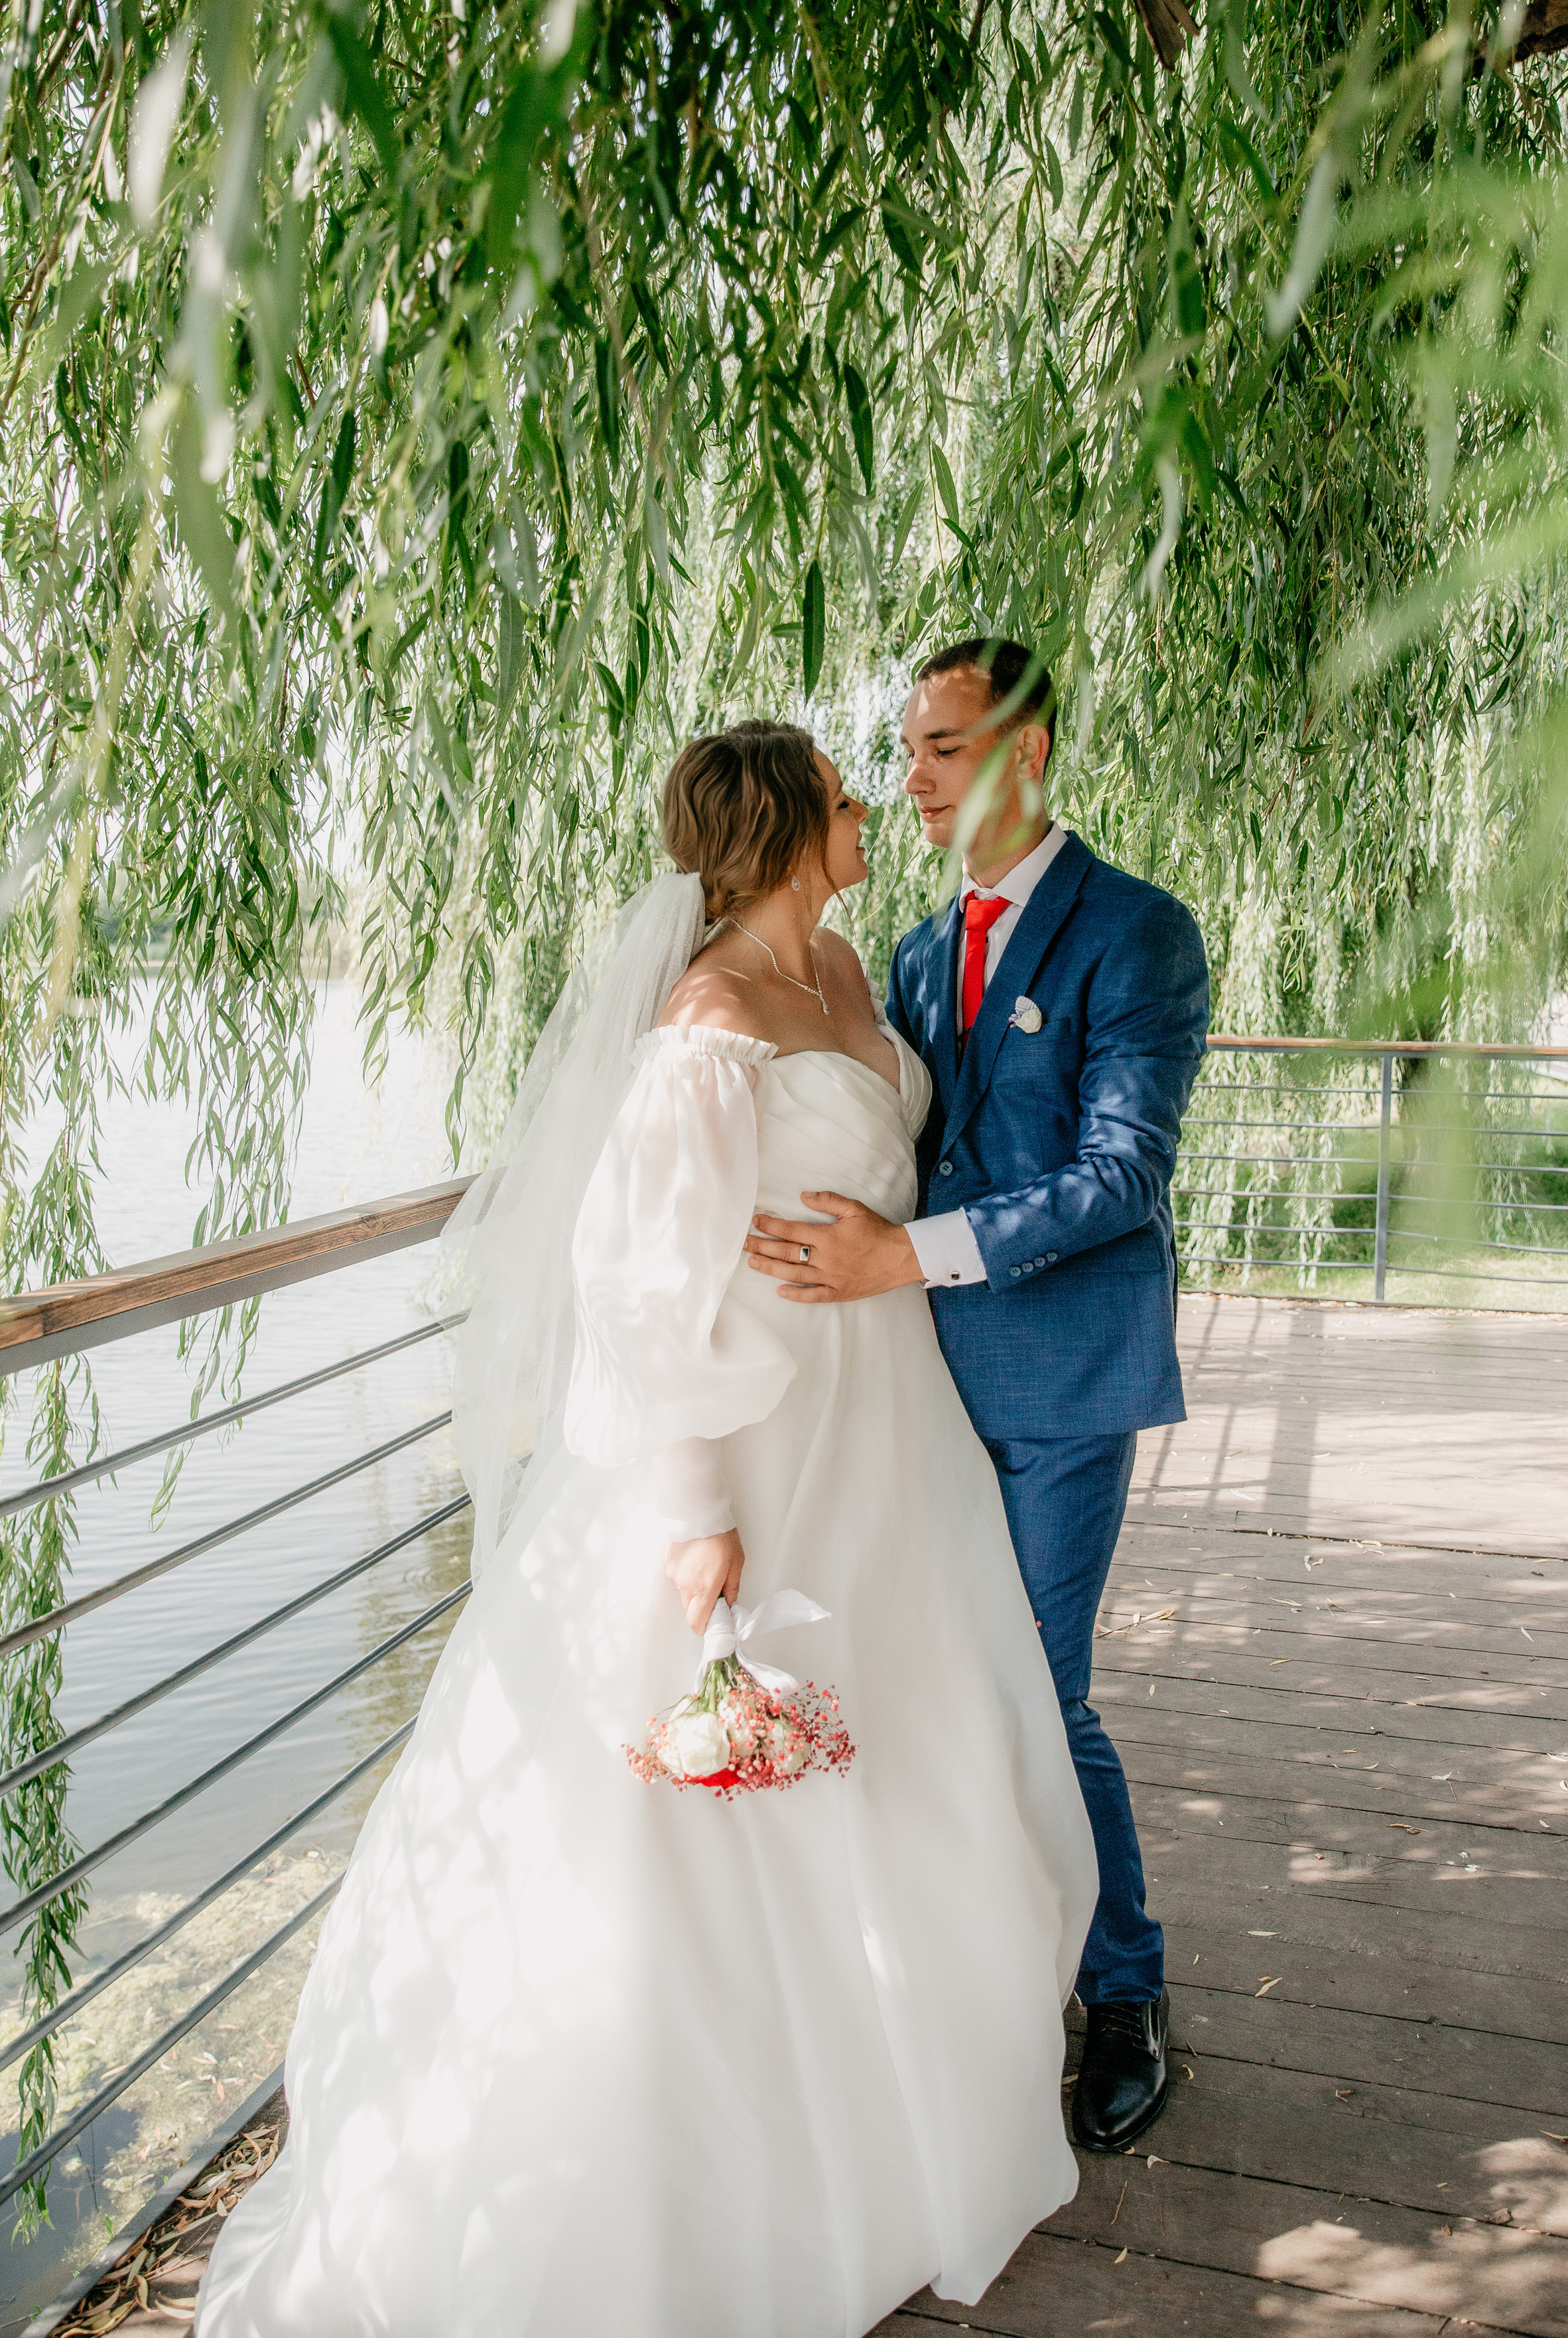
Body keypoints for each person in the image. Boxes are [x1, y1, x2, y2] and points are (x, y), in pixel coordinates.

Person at [195, 720, 1096, 2338]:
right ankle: (693, 2173)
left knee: (893, 1745)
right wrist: (691, 1512)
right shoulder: (707, 1019)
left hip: (884, 1428)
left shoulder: (844, 984)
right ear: (782, 830)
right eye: (840, 794)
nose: (867, 808)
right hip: (754, 1445)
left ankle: (888, 2107)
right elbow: (638, 1282)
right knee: (711, 1809)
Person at [745, 645, 1209, 2152]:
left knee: (1039, 1696)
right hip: (912, 1393)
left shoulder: (1135, 935)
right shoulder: (911, 946)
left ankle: (1122, 1993)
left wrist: (903, 1256)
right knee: (938, 1692)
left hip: (1060, 1383)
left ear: (1030, 749)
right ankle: (974, 1980)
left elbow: (1120, 1175)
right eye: (909, 749)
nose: (916, 778)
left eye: (943, 747)